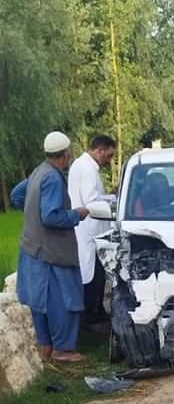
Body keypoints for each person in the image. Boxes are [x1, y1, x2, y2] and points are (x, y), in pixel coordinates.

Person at [10, 132, 89, 363]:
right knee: (64, 301)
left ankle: (45, 347)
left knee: (40, 303)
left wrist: (30, 212)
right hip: (52, 253)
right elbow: (51, 217)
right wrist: (77, 214)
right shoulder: (53, 178)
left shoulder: (38, 171)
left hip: (32, 249)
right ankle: (63, 350)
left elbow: (17, 195)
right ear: (65, 155)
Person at [68, 135, 116, 326]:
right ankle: (90, 315)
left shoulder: (83, 165)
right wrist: (111, 200)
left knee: (93, 273)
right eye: (109, 155)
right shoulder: (87, 169)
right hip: (89, 229)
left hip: (88, 230)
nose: (109, 160)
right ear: (100, 150)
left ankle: (92, 313)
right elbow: (91, 201)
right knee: (92, 275)